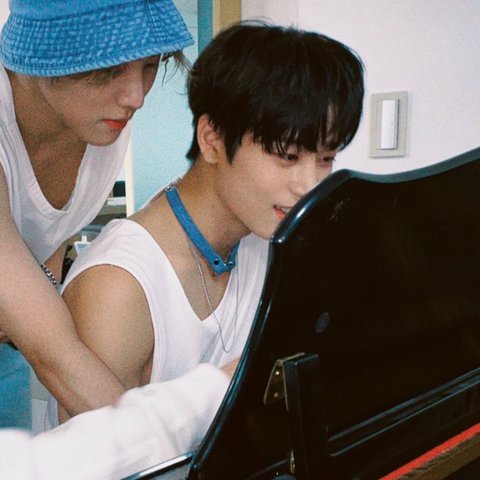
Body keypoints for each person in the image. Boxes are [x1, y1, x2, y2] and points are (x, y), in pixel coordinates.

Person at [47, 21, 365, 426]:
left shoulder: (270, 239)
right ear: (212, 138)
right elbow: (94, 453)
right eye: (287, 156)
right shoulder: (119, 287)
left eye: (325, 158)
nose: (310, 185)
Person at [0, 0, 193, 427]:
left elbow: (48, 233)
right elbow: (56, 356)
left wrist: (25, 300)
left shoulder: (99, 125)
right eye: (109, 69)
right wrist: (169, 448)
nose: (136, 97)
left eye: (151, 65)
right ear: (43, 52)